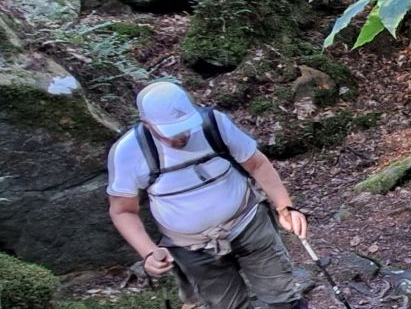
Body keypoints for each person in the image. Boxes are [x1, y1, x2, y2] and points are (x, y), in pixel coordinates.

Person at [105, 82, 310, 309]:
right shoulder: (127, 152)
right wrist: (149, 253)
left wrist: (285, 206)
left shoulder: (213, 123)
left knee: (284, 298)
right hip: (191, 248)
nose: (182, 136)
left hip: (249, 223)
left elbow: (257, 164)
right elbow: (123, 210)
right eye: (171, 132)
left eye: (185, 127)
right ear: (146, 124)